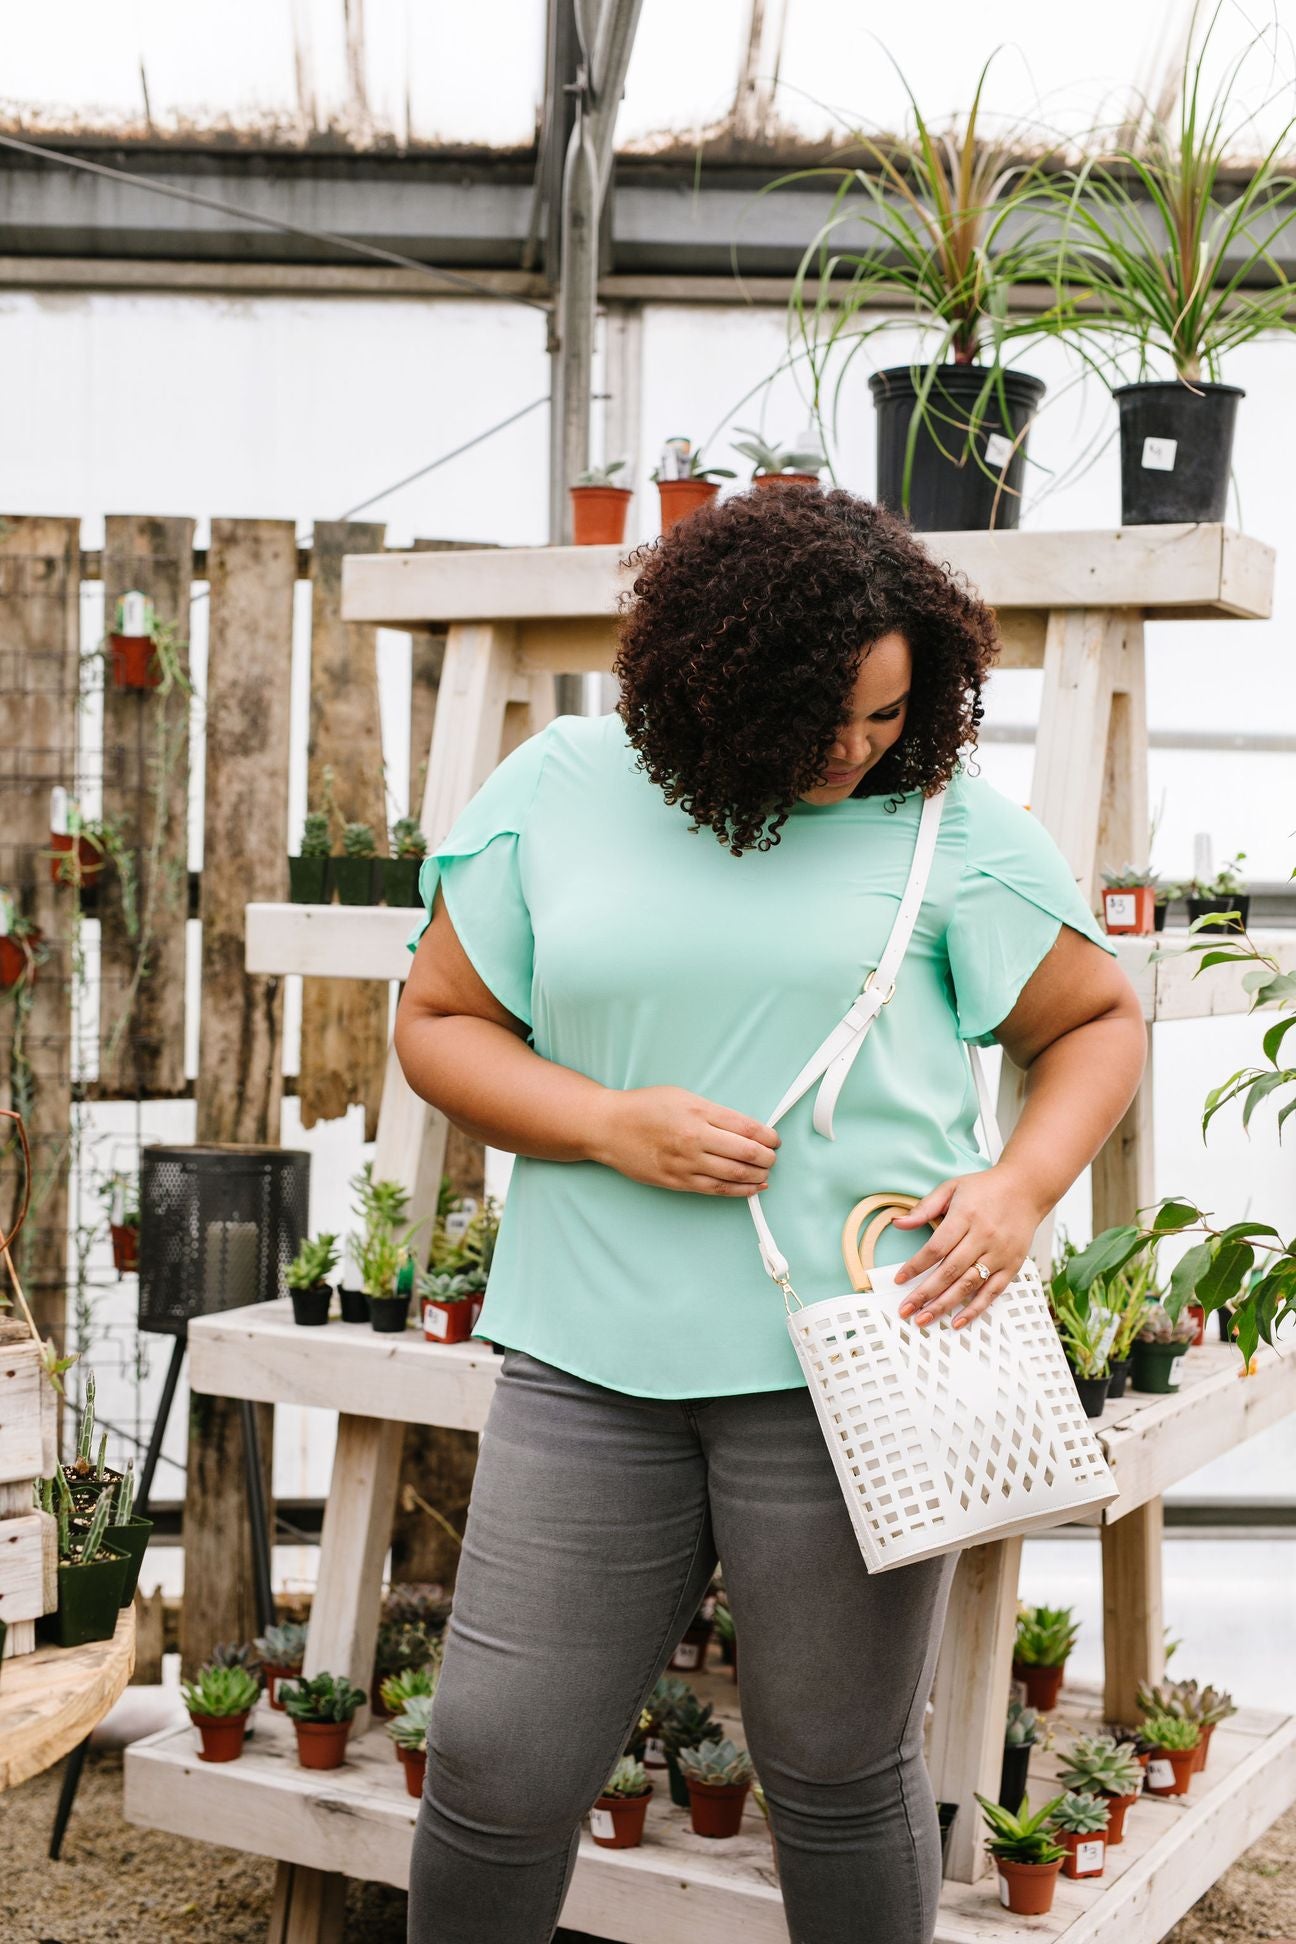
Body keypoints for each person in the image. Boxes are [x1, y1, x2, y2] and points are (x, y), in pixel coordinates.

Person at [395, 488, 1147, 1944]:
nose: (859, 748)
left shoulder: (950, 829)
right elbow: (440, 1022)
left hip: (855, 1372)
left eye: (888, 713)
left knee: (837, 1774)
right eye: (825, 719)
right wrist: (609, 1123)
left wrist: (1018, 1186)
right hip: (588, 1365)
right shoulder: (560, 784)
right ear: (709, 686)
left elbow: (1097, 1019)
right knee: (495, 1765)